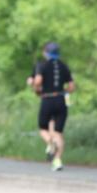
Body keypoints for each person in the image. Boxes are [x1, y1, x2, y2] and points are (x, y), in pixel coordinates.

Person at [30, 41, 75, 172]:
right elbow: (72, 87)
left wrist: (36, 89)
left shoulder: (42, 65)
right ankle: (57, 160)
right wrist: (63, 92)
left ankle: (50, 143)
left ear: (46, 52)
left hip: (47, 99)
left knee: (43, 128)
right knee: (58, 133)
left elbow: (38, 81)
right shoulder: (64, 66)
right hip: (61, 99)